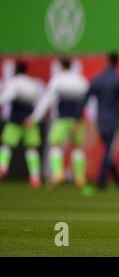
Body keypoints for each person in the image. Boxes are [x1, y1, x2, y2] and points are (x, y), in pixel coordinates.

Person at [76, 53, 119, 189]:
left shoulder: (97, 79)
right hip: (114, 121)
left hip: (100, 120)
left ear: (107, 61)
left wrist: (77, 116)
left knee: (109, 150)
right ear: (117, 62)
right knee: (109, 151)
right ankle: (101, 180)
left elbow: (85, 98)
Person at [26, 58, 89, 188]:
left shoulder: (58, 79)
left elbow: (47, 100)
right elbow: (88, 98)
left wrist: (34, 117)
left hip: (63, 119)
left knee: (55, 144)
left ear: (60, 66)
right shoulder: (80, 80)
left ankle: (58, 172)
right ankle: (80, 177)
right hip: (78, 120)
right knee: (77, 146)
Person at [0, 61, 42, 188]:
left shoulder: (14, 82)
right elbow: (37, 100)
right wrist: (34, 118)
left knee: (7, 144)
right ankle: (35, 177)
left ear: (16, 70)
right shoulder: (32, 83)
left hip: (16, 118)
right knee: (31, 148)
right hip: (29, 118)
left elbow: (8, 96)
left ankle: (2, 167)